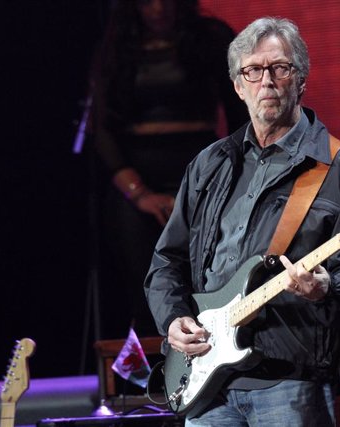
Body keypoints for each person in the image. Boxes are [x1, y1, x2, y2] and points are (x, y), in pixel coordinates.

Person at [145, 16, 340, 426]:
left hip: (290, 381)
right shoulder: (209, 164)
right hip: (207, 380)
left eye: (280, 68)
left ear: (301, 80)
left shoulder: (338, 167)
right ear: (238, 86)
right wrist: (172, 320)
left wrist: (325, 288)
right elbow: (167, 262)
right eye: (253, 71)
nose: (267, 81)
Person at [90, 0, 248, 339]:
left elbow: (240, 114)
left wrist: (225, 177)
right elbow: (102, 128)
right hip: (136, 178)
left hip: (202, 170)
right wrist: (140, 193)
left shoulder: (211, 38)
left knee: (208, 283)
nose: (158, 8)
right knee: (145, 287)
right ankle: (156, 381)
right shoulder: (117, 48)